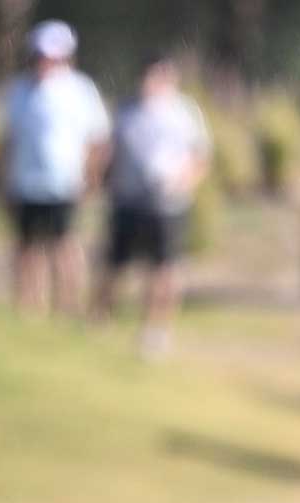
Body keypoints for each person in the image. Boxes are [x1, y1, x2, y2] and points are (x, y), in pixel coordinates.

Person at [94, 54, 211, 356]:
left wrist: (182, 182)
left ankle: (156, 331)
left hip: (168, 204)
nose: (152, 83)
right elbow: (109, 151)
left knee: (164, 269)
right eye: (148, 76)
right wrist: (99, 181)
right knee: (113, 264)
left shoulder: (185, 112)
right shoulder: (127, 109)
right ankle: (99, 321)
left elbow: (200, 158)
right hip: (128, 200)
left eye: (159, 77)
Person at [2, 19, 111, 314]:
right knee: (27, 249)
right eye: (40, 55)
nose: (45, 62)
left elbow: (98, 140)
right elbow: (10, 140)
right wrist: (6, 181)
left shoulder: (81, 89)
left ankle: (69, 307)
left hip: (65, 183)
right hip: (26, 182)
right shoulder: (19, 91)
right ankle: (29, 309)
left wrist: (92, 179)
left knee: (65, 246)